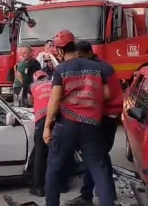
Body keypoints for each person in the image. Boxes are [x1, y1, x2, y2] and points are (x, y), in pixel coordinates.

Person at [43, 30, 114, 206]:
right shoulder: (96, 67)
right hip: (92, 125)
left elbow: (55, 99)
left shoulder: (61, 70)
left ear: (59, 51)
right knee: (99, 168)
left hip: (67, 124)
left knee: (54, 168)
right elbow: (107, 94)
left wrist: (47, 126)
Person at [65, 41, 123, 206]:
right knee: (99, 157)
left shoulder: (98, 69)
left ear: (89, 54)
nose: (79, 61)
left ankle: (96, 197)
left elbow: (105, 94)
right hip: (108, 116)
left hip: (104, 117)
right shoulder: (103, 66)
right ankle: (99, 195)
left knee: (96, 158)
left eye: (81, 57)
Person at [27, 70, 51, 197]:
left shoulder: (32, 86)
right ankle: (61, 185)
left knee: (40, 154)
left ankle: (38, 188)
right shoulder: (53, 82)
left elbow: (30, 102)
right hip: (57, 119)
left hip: (42, 120)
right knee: (57, 152)